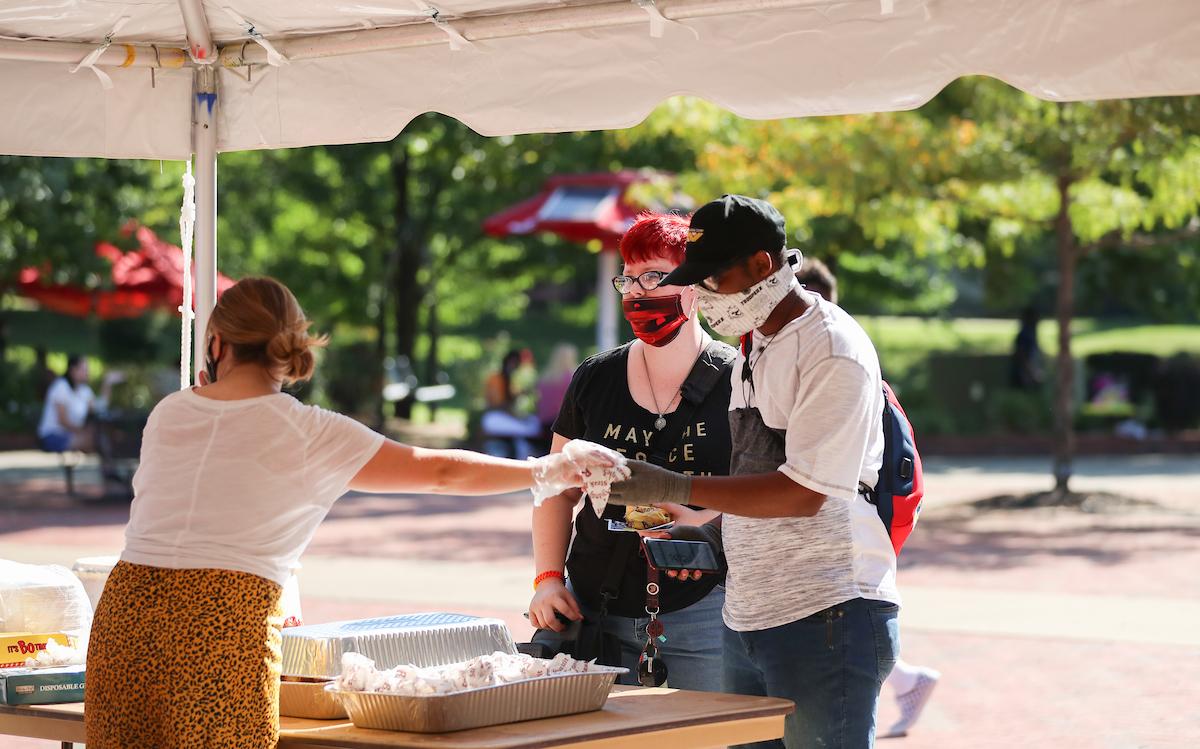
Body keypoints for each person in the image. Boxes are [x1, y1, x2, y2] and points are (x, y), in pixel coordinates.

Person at [84, 276, 618, 749]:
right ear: (288, 351)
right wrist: (550, 469)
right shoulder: (310, 431)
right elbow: (440, 471)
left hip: (127, 610)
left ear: (216, 343)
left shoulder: (169, 412)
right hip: (226, 622)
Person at [607, 195, 900, 749]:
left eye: (714, 276)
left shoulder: (830, 348)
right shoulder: (755, 345)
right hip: (747, 617)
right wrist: (700, 526)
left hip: (827, 615)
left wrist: (673, 484)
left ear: (763, 266)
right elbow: (757, 469)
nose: (707, 293)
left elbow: (803, 494)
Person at [528, 213, 735, 690]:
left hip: (705, 612)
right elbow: (556, 488)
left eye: (655, 276)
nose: (638, 291)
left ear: (695, 286)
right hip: (595, 606)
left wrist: (691, 517)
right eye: (629, 277)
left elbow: (763, 497)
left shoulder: (740, 379)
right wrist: (547, 578)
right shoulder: (595, 377)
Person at [796, 257, 940, 739]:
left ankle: (910, 681)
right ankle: (910, 681)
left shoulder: (841, 373)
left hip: (848, 538)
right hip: (866, 540)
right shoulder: (857, 365)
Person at [37, 354, 120, 454]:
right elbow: (62, 421)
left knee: (100, 438)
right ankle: (108, 466)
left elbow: (100, 407)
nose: (88, 373)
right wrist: (82, 432)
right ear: (73, 370)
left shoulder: (84, 391)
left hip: (72, 434)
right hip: (52, 436)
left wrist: (107, 383)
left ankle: (107, 466)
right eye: (84, 369)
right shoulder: (60, 387)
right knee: (96, 440)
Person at [481, 348, 543, 459]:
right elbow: (498, 405)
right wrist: (517, 417)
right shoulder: (496, 378)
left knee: (533, 423)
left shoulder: (508, 379)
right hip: (494, 418)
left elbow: (510, 399)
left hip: (502, 417)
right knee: (532, 427)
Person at [535, 343, 578, 439]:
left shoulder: (545, 377)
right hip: (562, 424)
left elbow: (539, 402)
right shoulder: (571, 378)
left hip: (544, 422)